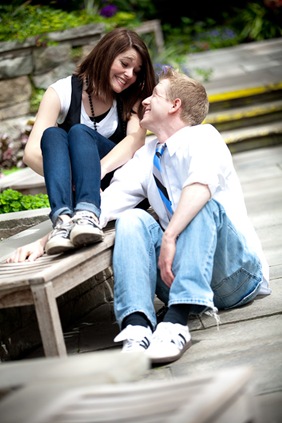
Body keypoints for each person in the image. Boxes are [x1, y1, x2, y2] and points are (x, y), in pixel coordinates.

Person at [7, 68, 271, 366]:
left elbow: (200, 185)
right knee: (132, 219)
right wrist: (44, 242)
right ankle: (136, 326)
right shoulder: (147, 156)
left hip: (234, 277)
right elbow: (104, 207)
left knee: (201, 204)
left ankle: (175, 323)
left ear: (175, 106)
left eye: (155, 95)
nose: (144, 101)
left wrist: (169, 235)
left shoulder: (203, 137)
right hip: (178, 275)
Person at [23, 27, 156, 255]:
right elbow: (31, 153)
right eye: (125, 64)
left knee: (78, 132)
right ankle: (63, 220)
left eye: (136, 70)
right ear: (105, 55)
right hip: (78, 188)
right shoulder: (61, 92)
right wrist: (73, 177)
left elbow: (135, 141)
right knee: (53, 135)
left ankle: (87, 213)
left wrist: (96, 172)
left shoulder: (134, 94)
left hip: (118, 185)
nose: (130, 75)